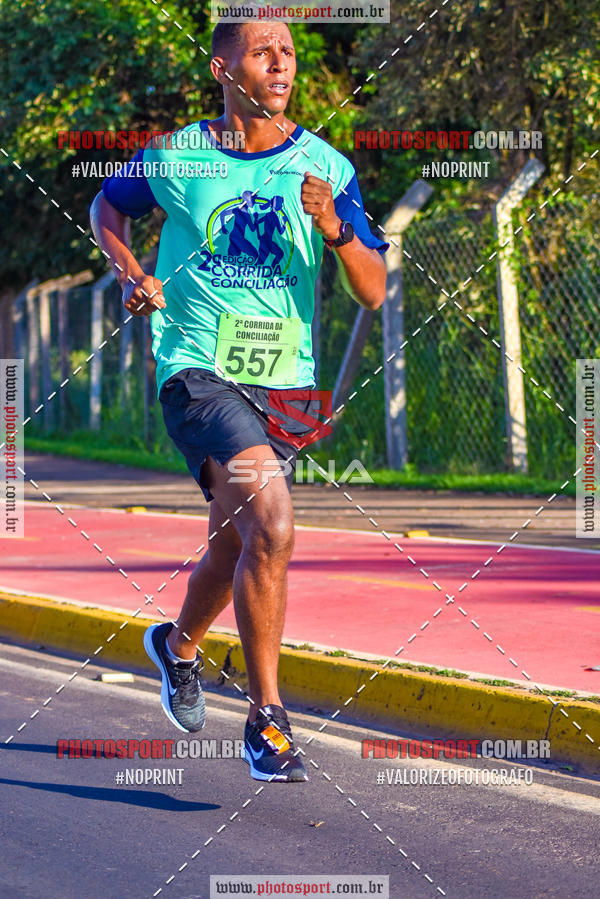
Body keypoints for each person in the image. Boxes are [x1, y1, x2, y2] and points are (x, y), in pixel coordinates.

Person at [89, 21, 388, 783]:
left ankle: (178, 646)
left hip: (284, 383)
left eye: (288, 51)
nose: (281, 62)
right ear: (224, 66)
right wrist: (129, 272)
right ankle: (269, 721)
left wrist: (333, 225)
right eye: (263, 50)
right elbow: (106, 209)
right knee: (275, 521)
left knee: (236, 540)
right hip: (196, 369)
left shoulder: (326, 166)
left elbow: (373, 288)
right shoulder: (174, 155)